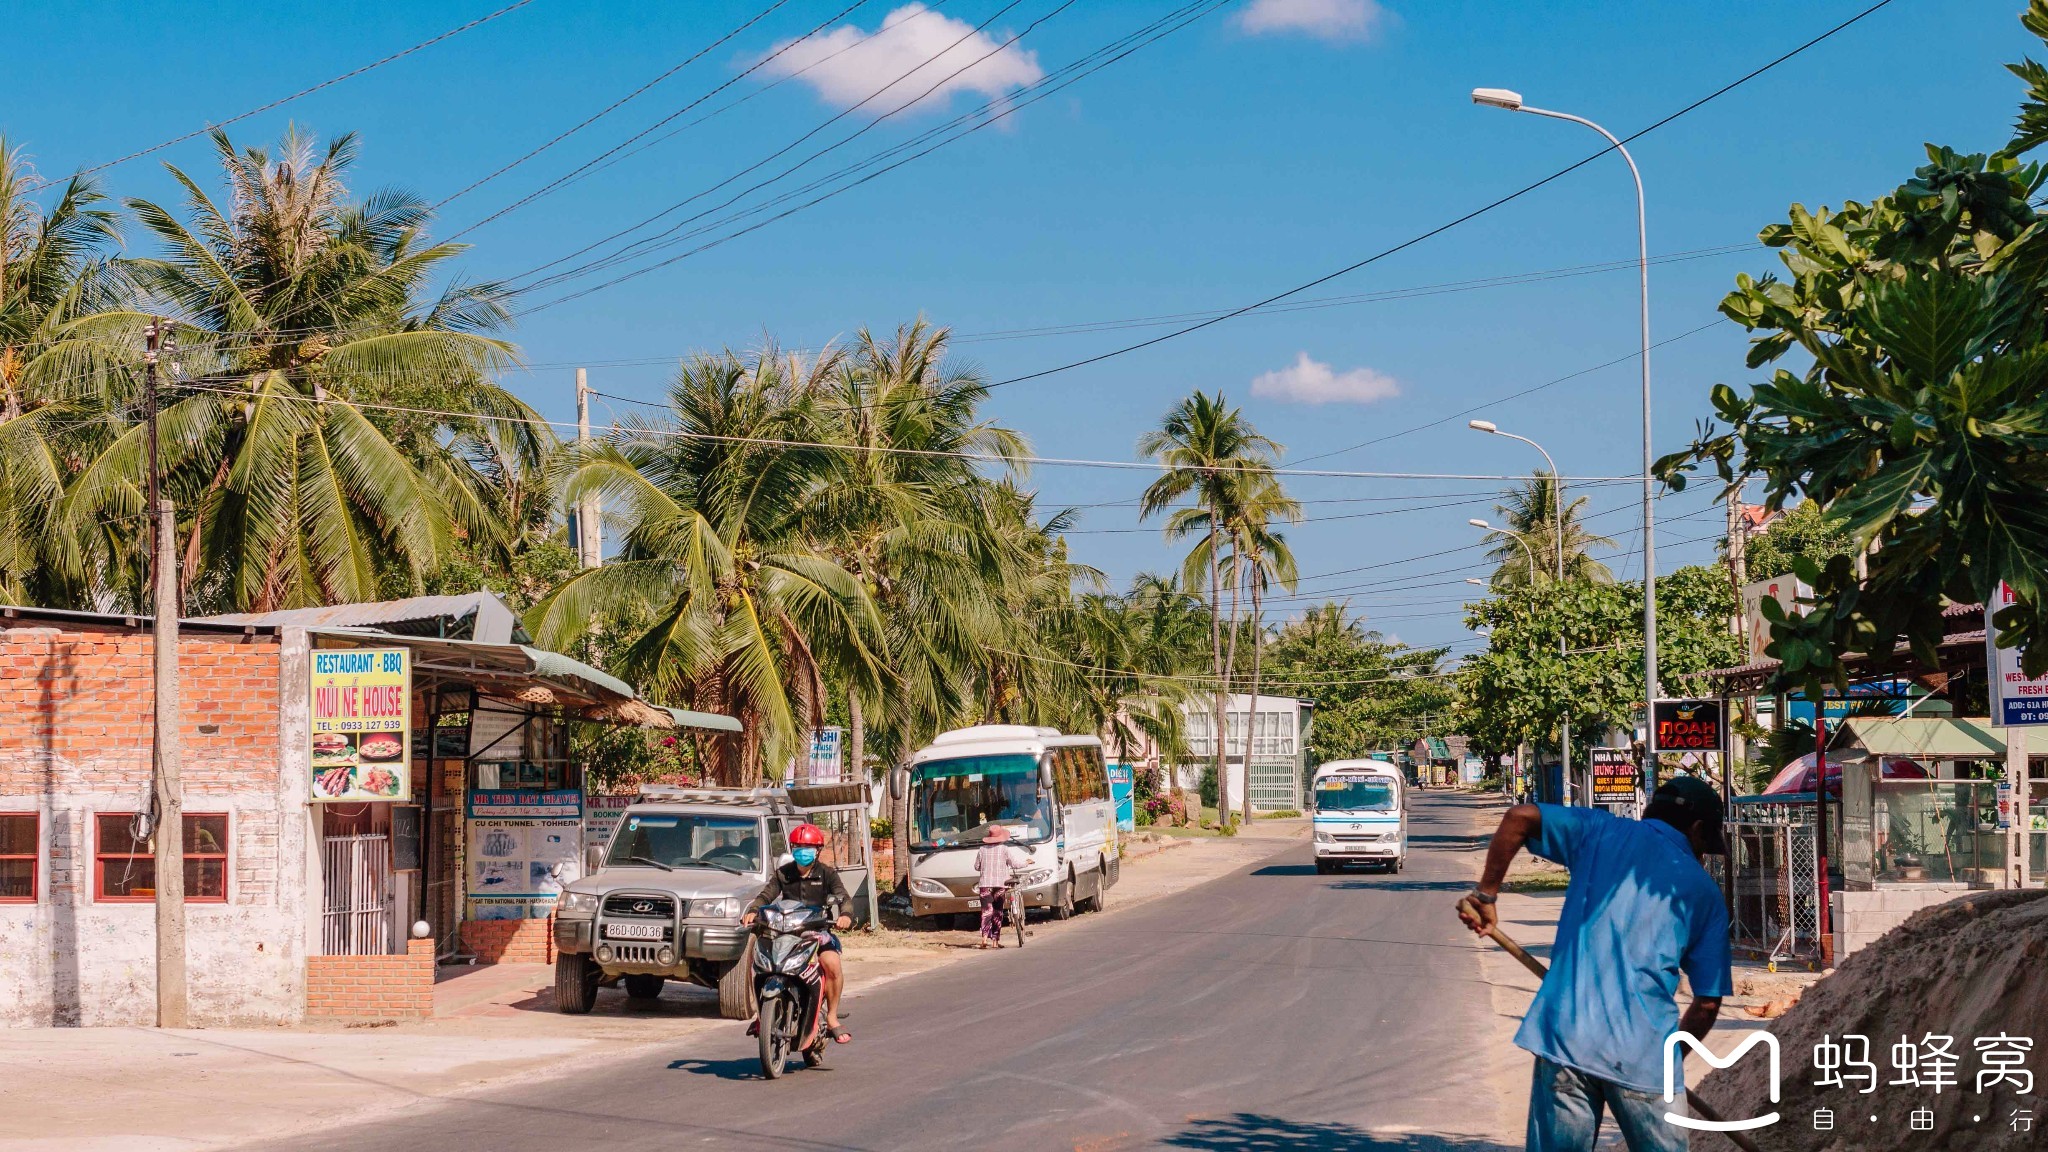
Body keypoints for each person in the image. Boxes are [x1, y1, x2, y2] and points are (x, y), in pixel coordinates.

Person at [1458, 776, 1733, 1152]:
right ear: (1698, 828)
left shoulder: (1601, 832)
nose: (1702, 855)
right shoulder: (1704, 893)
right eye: (1704, 844)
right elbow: (1707, 1003)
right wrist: (1670, 1061)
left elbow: (1519, 817)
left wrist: (1486, 893)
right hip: (1644, 1055)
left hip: (1566, 1039)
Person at [742, 823, 854, 1043]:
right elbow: (766, 895)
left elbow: (844, 898)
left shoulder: (827, 874)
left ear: (818, 850)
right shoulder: (783, 874)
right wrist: (754, 910)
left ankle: (831, 1017)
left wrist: (845, 915)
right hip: (785, 933)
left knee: (832, 963)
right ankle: (760, 1016)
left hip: (816, 931)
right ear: (792, 848)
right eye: (799, 846)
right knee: (756, 961)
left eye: (809, 847)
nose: (804, 851)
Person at [973, 824, 1030, 948]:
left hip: (985, 885)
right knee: (998, 912)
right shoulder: (1004, 849)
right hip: (1000, 885)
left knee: (986, 912)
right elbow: (1014, 864)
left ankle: (984, 940)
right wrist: (1026, 862)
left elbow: (976, 867)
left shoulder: (982, 849)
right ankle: (995, 941)